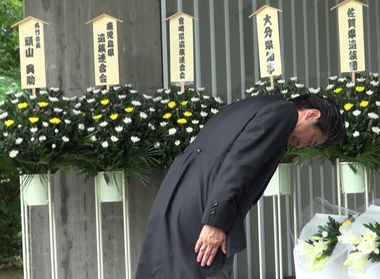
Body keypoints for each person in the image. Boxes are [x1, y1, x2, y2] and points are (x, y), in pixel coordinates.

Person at [136, 92, 344, 279]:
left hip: (178, 195)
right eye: (313, 140)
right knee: (205, 269)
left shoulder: (250, 105)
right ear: (312, 114)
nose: (304, 145)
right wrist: (215, 222)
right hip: (206, 203)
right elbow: (239, 165)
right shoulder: (283, 113)